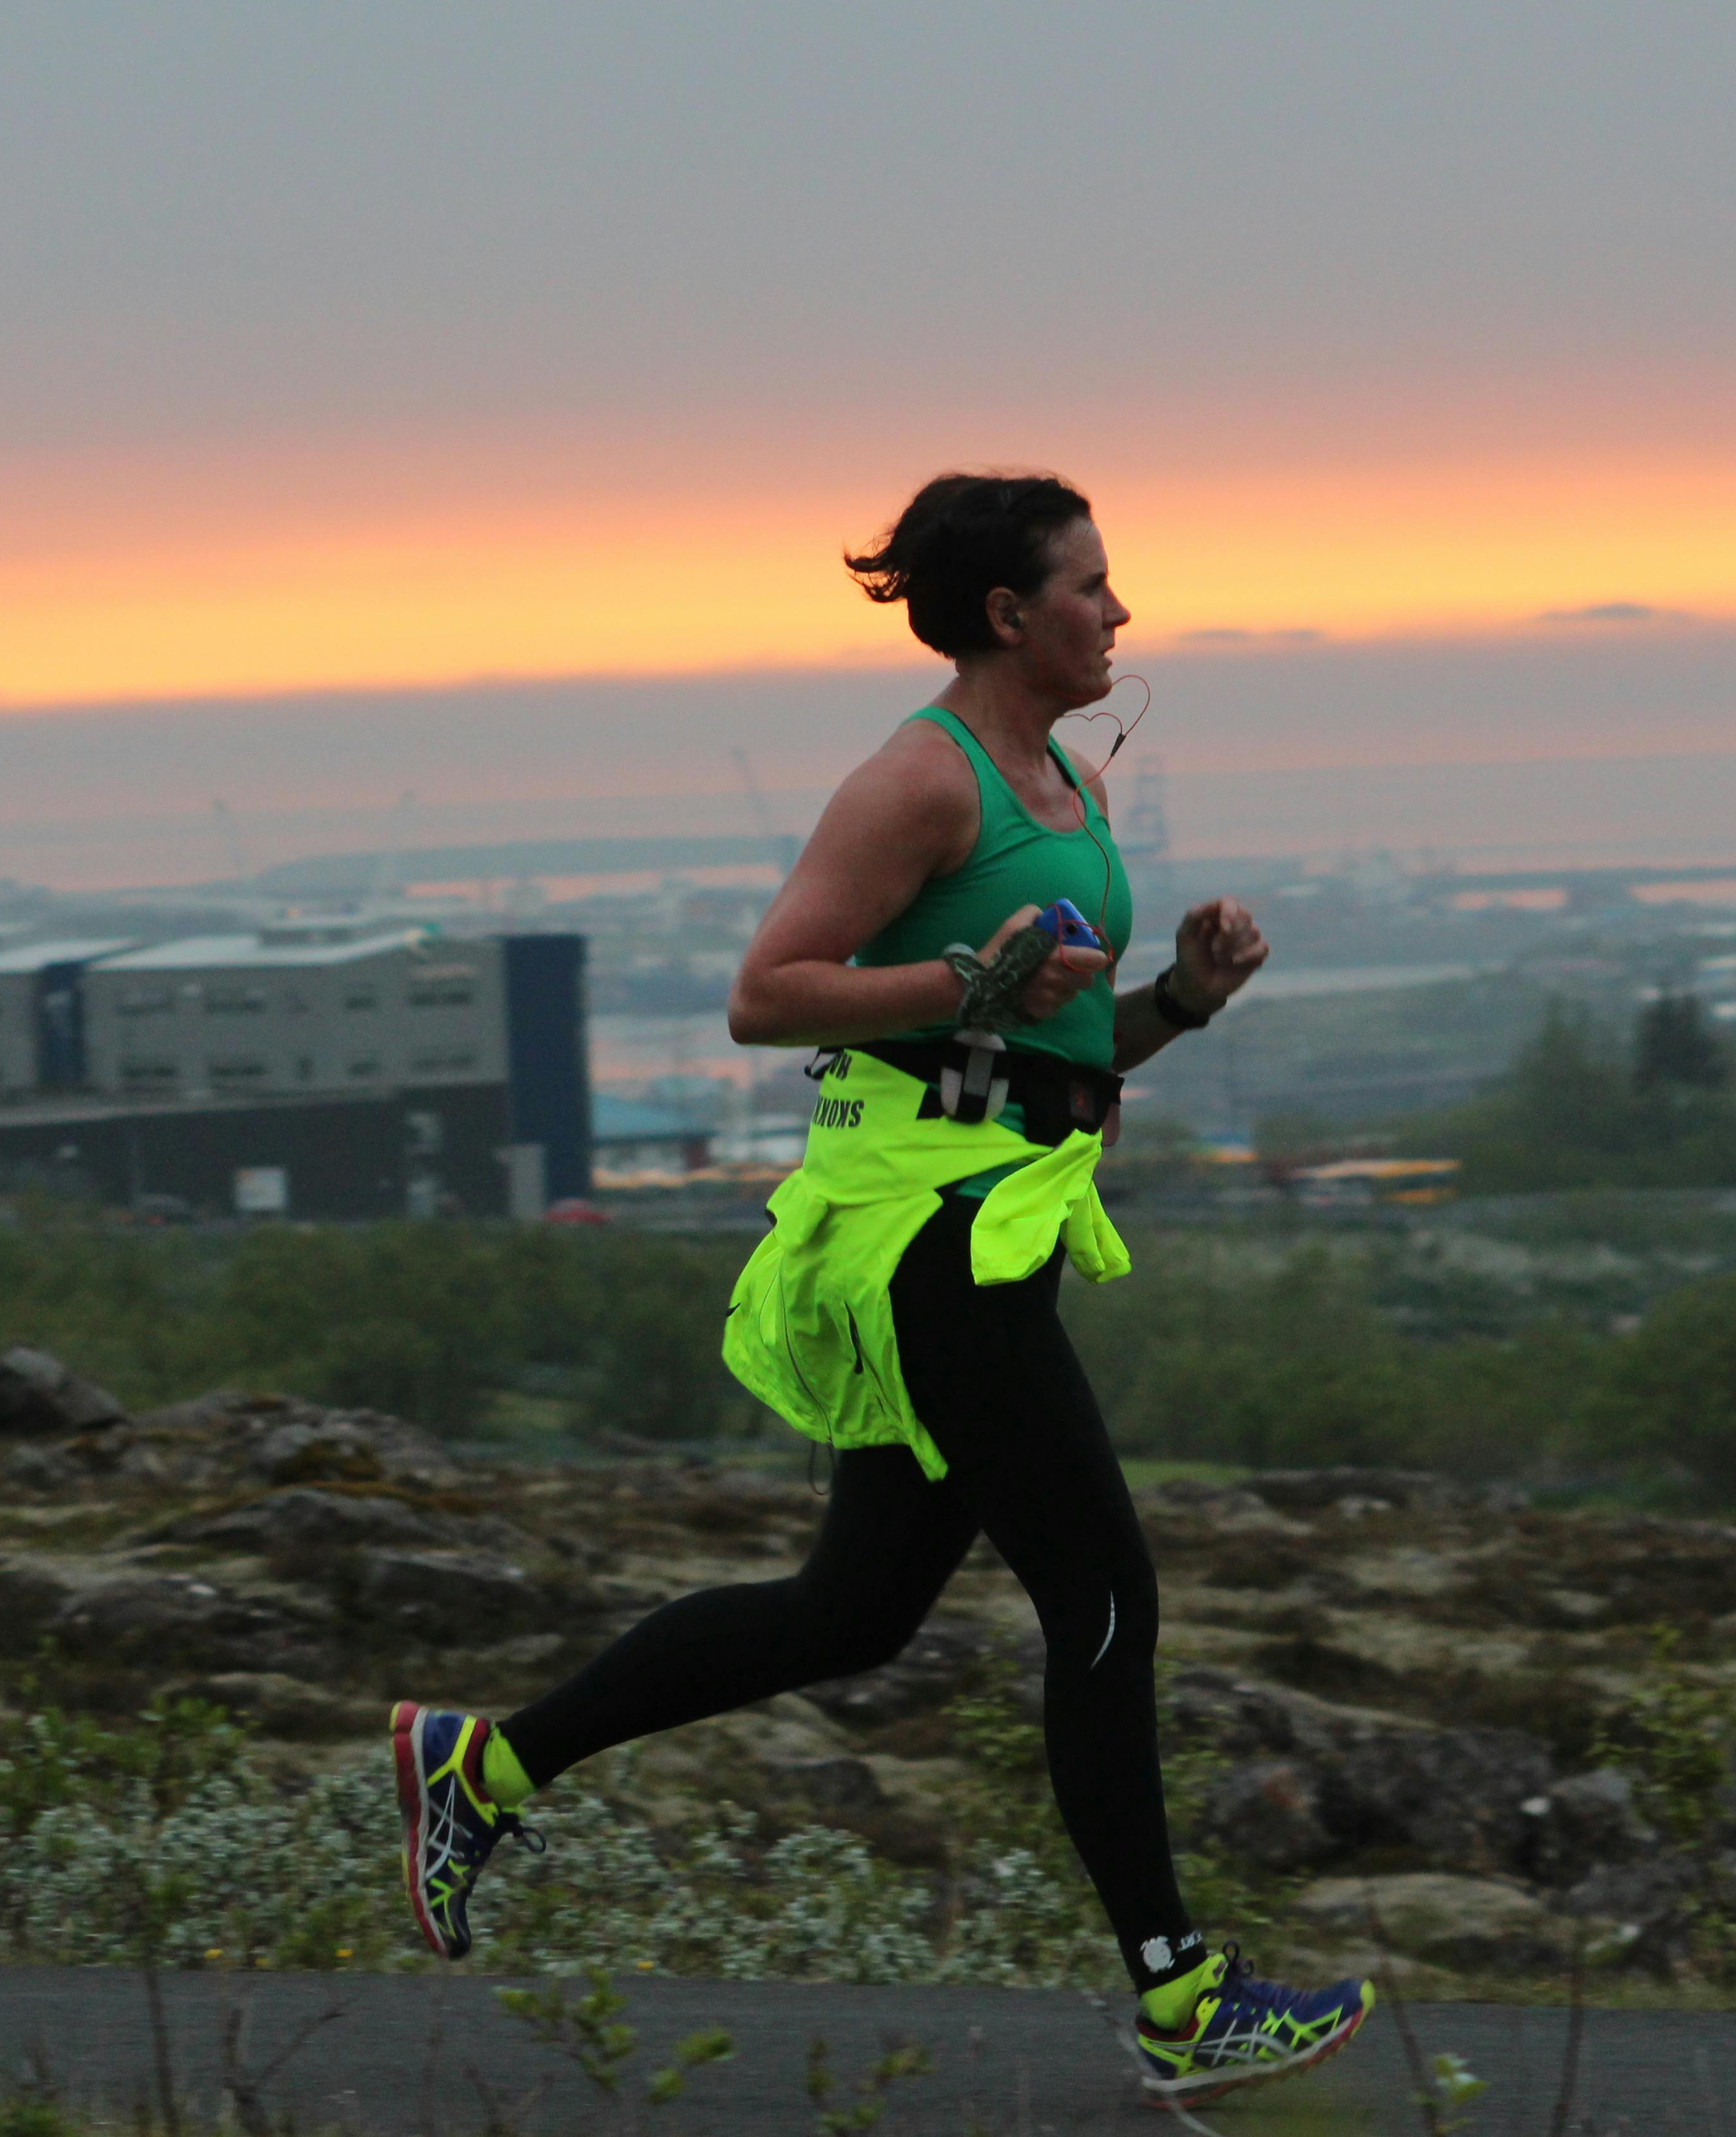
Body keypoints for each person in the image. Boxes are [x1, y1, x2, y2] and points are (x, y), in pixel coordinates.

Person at [393, 472, 1373, 2104]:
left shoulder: (1065, 782)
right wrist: (965, 976)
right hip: (926, 1242)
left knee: (849, 1616)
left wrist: (1182, 1006)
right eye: (1091, 587)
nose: (1122, 613)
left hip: (1000, 1217)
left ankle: (485, 1763)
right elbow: (766, 995)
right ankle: (1182, 2002)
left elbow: (1050, 1047)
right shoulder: (915, 783)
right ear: (1008, 615)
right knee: (1107, 1598)